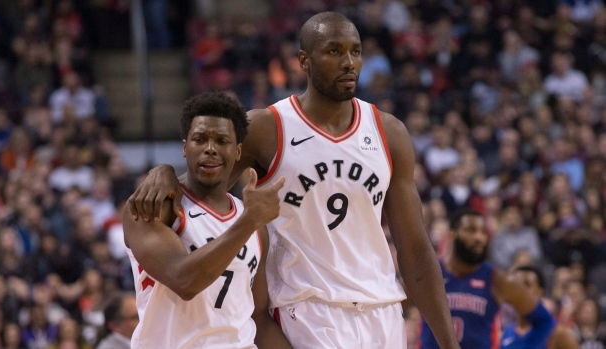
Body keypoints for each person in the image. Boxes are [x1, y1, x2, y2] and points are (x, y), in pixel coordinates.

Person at [128, 11, 460, 349]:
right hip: (306, 310)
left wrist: (449, 343)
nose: (349, 62)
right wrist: (165, 172)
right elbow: (203, 178)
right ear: (304, 60)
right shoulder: (266, 127)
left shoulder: (388, 132)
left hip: (383, 309)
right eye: (334, 51)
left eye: (355, 51)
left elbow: (416, 249)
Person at [122, 92, 291, 348]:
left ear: (238, 151)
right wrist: (249, 221)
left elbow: (257, 316)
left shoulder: (255, 226)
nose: (210, 148)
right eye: (200, 139)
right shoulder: (154, 206)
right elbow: (185, 281)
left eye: (222, 141)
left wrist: (250, 220)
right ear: (184, 147)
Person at [419, 209, 556, 348]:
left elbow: (545, 321)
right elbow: (397, 302)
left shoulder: (497, 279)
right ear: (452, 235)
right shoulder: (430, 274)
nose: (479, 237)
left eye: (483, 232)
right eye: (471, 230)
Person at [500, 265, 579, 349]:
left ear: (540, 291)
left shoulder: (557, 333)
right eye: (515, 285)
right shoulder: (507, 332)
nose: (520, 291)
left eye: (526, 284)